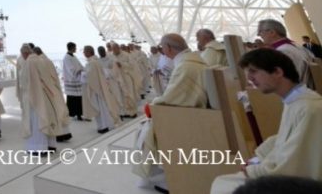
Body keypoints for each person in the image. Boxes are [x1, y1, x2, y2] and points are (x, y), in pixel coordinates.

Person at [210, 48, 322, 194]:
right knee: (222, 182)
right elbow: (283, 139)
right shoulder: (295, 101)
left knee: (224, 186)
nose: (249, 78)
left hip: (304, 185)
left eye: (254, 71)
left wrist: (253, 170)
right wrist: (257, 158)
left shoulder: (309, 108)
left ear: (277, 72)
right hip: (285, 172)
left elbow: (294, 163)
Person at [132, 34, 208, 189]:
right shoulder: (193, 61)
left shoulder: (186, 66)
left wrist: (152, 105)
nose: (162, 50)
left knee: (144, 131)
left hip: (186, 118)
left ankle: (163, 179)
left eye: (162, 47)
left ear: (168, 48)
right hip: (193, 113)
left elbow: (171, 98)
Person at [20, 45, 71, 154]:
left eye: (22, 54)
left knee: (37, 122)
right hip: (46, 95)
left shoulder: (29, 62)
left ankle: (38, 148)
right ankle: (50, 145)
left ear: (25, 53)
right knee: (47, 118)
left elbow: (25, 82)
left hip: (34, 98)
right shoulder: (40, 60)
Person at [257, 19, 315, 86]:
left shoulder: (283, 52)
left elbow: (285, 83)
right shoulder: (298, 47)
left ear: (272, 32)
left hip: (299, 92)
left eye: (260, 31)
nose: (258, 35)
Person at [81, 45, 121, 133]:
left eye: (84, 51)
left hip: (96, 90)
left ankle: (104, 126)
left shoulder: (92, 63)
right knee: (103, 107)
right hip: (99, 88)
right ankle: (105, 125)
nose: (83, 53)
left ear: (89, 52)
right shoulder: (95, 61)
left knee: (101, 108)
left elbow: (90, 76)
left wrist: (82, 74)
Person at [62, 42, 84, 120]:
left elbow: (79, 65)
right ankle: (74, 113)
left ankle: (79, 114)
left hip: (77, 80)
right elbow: (70, 69)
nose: (76, 49)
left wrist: (83, 69)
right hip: (71, 80)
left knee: (78, 98)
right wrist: (79, 71)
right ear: (71, 48)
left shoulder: (73, 56)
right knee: (73, 98)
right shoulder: (67, 57)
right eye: (75, 47)